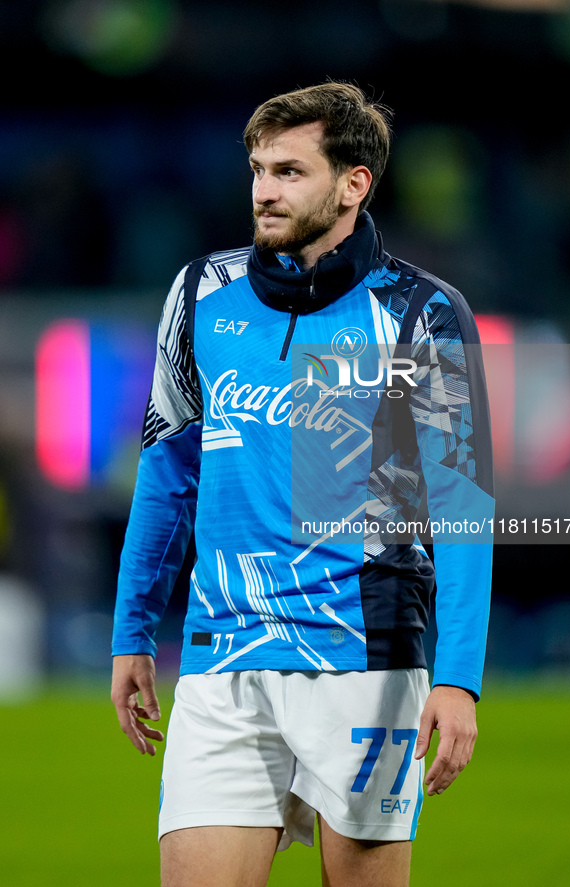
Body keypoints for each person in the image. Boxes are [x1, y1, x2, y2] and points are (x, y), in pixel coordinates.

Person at [111, 82, 494, 887]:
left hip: (365, 663)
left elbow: (461, 507)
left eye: (289, 170)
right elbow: (167, 464)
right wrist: (132, 630)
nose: (262, 189)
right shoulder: (200, 295)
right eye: (257, 169)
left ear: (352, 183)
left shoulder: (420, 313)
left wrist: (456, 677)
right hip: (221, 656)